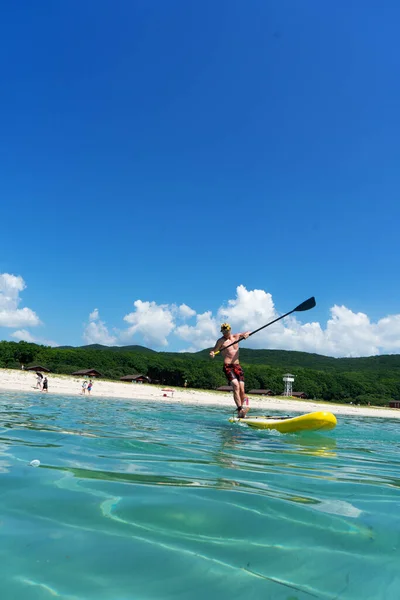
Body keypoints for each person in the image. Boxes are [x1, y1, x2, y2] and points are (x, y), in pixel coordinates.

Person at [210, 322, 251, 418]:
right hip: (228, 366)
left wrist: (246, 335)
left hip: (237, 366)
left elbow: (248, 332)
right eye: (223, 332)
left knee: (242, 388)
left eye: (226, 331)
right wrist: (212, 354)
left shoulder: (237, 337)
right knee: (236, 386)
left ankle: (241, 411)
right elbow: (213, 350)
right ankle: (240, 409)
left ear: (230, 330)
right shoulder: (221, 341)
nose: (225, 333)